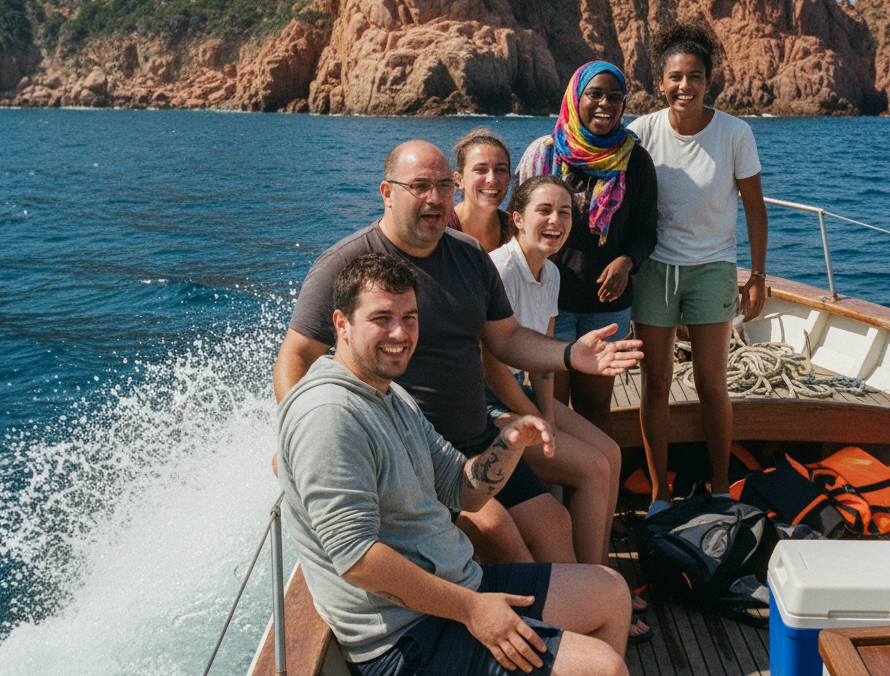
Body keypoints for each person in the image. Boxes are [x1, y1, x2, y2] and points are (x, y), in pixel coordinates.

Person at [276, 251, 669, 676]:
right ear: (340, 324)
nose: (400, 334)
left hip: (457, 594)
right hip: (407, 644)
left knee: (608, 590)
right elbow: (358, 560)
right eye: (381, 319)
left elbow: (461, 487)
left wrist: (509, 441)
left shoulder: (390, 393)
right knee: (603, 675)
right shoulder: (330, 417)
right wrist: (475, 611)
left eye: (409, 319)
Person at [272, 140, 644, 568]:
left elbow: (505, 339)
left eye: (444, 186)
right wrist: (298, 436)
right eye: (420, 186)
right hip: (413, 457)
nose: (435, 198)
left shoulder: (468, 255)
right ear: (387, 193)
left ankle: (580, 617)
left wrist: (569, 354)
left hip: (480, 438)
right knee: (505, 542)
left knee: (555, 527)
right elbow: (296, 357)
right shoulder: (348, 262)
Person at [482, 175, 651, 642]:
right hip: (494, 406)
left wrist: (551, 418)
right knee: (593, 469)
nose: (555, 221)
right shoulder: (499, 270)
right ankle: (595, 595)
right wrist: (536, 421)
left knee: (610, 455)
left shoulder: (552, 272)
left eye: (565, 212)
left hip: (529, 399)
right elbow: (493, 368)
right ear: (516, 218)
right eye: (544, 211)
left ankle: (603, 584)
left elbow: (544, 358)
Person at [628, 22, 768, 513]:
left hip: (713, 269)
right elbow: (605, 178)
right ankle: (660, 495)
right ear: (660, 82)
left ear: (710, 82)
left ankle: (720, 485)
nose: (683, 86)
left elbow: (754, 207)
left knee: (712, 382)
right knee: (657, 381)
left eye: (694, 76)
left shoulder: (735, 133)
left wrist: (757, 275)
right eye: (674, 77)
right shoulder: (642, 131)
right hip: (655, 269)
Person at [516, 61, 659, 438]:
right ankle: (557, 493)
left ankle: (599, 490)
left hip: (606, 310)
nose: (605, 104)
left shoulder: (635, 160)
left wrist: (626, 263)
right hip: (551, 304)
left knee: (596, 408)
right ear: (575, 98)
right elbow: (516, 222)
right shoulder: (544, 155)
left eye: (615, 96)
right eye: (594, 94)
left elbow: (647, 232)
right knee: (551, 407)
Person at [447, 127, 515, 251]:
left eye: (500, 170)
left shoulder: (517, 230)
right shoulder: (442, 230)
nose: (492, 179)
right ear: (460, 179)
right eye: (480, 170)